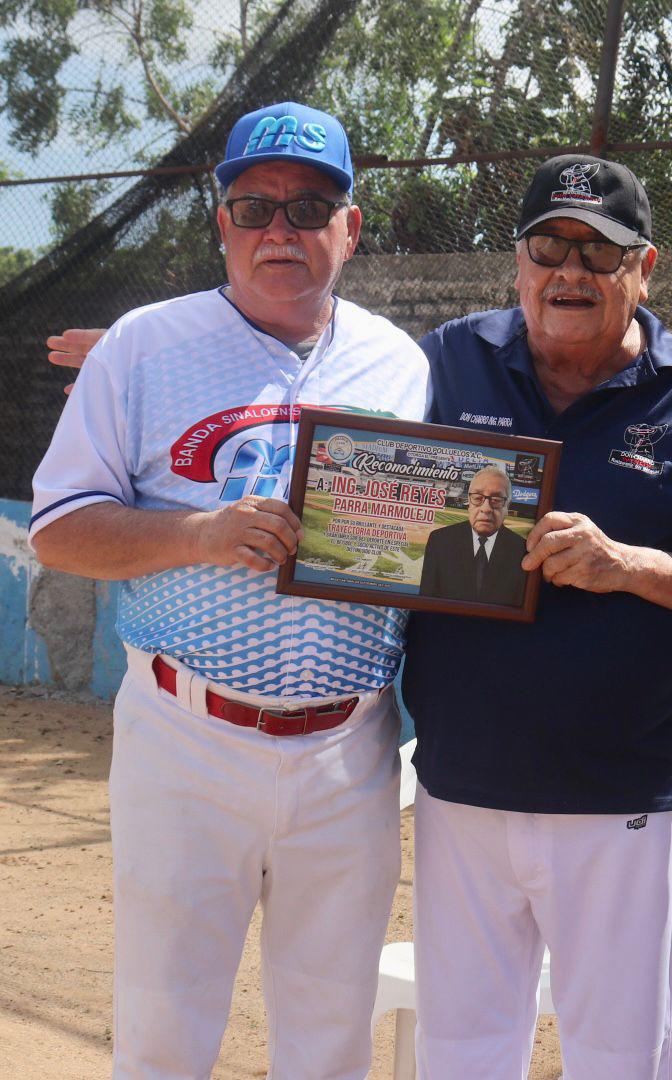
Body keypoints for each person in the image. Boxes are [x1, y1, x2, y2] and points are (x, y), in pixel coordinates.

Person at [44, 152, 672, 1079]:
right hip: (457, 790)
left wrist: (632, 566)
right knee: (457, 1054)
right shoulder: (450, 361)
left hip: (616, 792)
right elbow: (302, 372)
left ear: (645, 267)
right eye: (548, 247)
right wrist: (142, 354)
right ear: (518, 261)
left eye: (599, 251)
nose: (570, 272)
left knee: (626, 1058)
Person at [29, 101, 429, 1079]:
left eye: (309, 207)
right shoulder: (143, 347)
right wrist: (197, 535)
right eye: (254, 208)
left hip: (350, 747)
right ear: (222, 223)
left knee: (330, 1039)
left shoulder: (402, 364)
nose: (279, 229)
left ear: (350, 227)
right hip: (186, 738)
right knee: (164, 1034)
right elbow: (60, 528)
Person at [419, 464, 528, 606]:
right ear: (468, 503)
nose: (486, 508)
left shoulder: (522, 550)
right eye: (477, 498)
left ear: (507, 506)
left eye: (496, 500)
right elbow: (426, 602)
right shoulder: (439, 541)